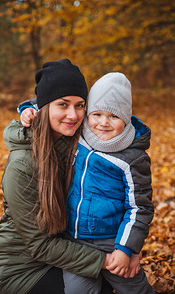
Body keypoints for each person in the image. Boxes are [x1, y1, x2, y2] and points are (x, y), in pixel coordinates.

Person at [20, 72, 155, 294]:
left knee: (134, 289)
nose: (103, 122)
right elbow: (49, 101)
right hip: (74, 240)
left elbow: (139, 207)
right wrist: (27, 111)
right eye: (97, 113)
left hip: (111, 242)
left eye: (114, 116)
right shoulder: (80, 134)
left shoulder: (132, 157)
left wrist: (127, 248)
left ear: (127, 118)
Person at [0, 59, 116, 294]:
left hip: (67, 248)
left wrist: (126, 248)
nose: (73, 114)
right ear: (44, 106)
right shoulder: (22, 165)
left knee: (106, 285)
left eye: (80, 105)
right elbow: (40, 245)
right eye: (63, 104)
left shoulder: (77, 145)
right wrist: (107, 260)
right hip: (22, 269)